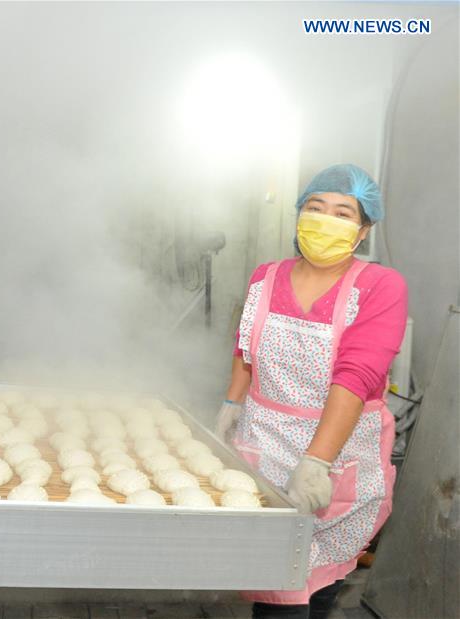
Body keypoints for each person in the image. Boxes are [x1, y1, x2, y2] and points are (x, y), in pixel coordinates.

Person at [216, 164, 407, 619]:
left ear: (362, 231)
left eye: (343, 213)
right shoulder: (266, 276)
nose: (326, 219)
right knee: (279, 588)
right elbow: (247, 345)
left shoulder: (380, 286)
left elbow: (356, 375)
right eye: (316, 207)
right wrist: (231, 403)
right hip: (265, 446)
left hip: (337, 455)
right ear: (300, 214)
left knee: (317, 585)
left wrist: (317, 461)